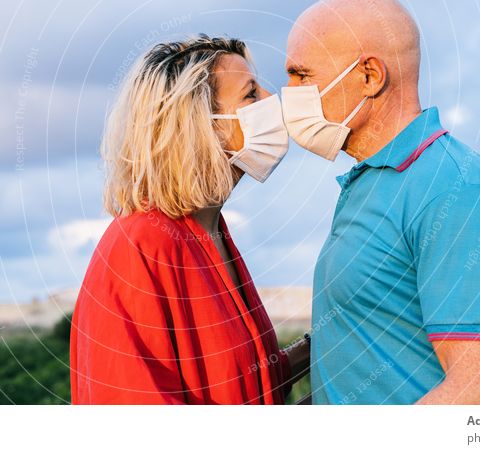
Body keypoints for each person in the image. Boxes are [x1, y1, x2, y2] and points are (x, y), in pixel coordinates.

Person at [281, 0, 480, 404]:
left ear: (369, 77)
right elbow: (370, 333)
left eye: (302, 75)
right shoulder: (370, 182)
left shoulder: (457, 193)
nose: (287, 93)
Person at [71, 34, 309, 404]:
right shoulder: (139, 245)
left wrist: (330, 338)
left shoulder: (212, 233)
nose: (272, 102)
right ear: (201, 125)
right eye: (250, 95)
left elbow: (251, 382)